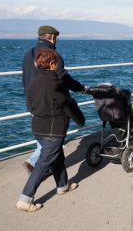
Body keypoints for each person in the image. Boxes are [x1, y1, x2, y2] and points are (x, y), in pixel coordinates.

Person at [16, 48, 85, 212]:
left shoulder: (33, 83)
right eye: (57, 63)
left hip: (38, 128)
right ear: (53, 64)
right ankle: (25, 199)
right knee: (43, 163)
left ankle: (63, 186)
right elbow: (69, 106)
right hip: (54, 130)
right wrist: (80, 120)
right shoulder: (58, 84)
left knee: (57, 157)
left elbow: (31, 107)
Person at [22, 25, 86, 173]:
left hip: (33, 102)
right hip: (53, 102)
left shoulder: (28, 54)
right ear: (52, 37)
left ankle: (43, 165)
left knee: (44, 133)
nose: (56, 41)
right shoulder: (52, 55)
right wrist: (80, 88)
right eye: (56, 38)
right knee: (55, 134)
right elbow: (62, 78)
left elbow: (25, 80)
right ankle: (36, 164)